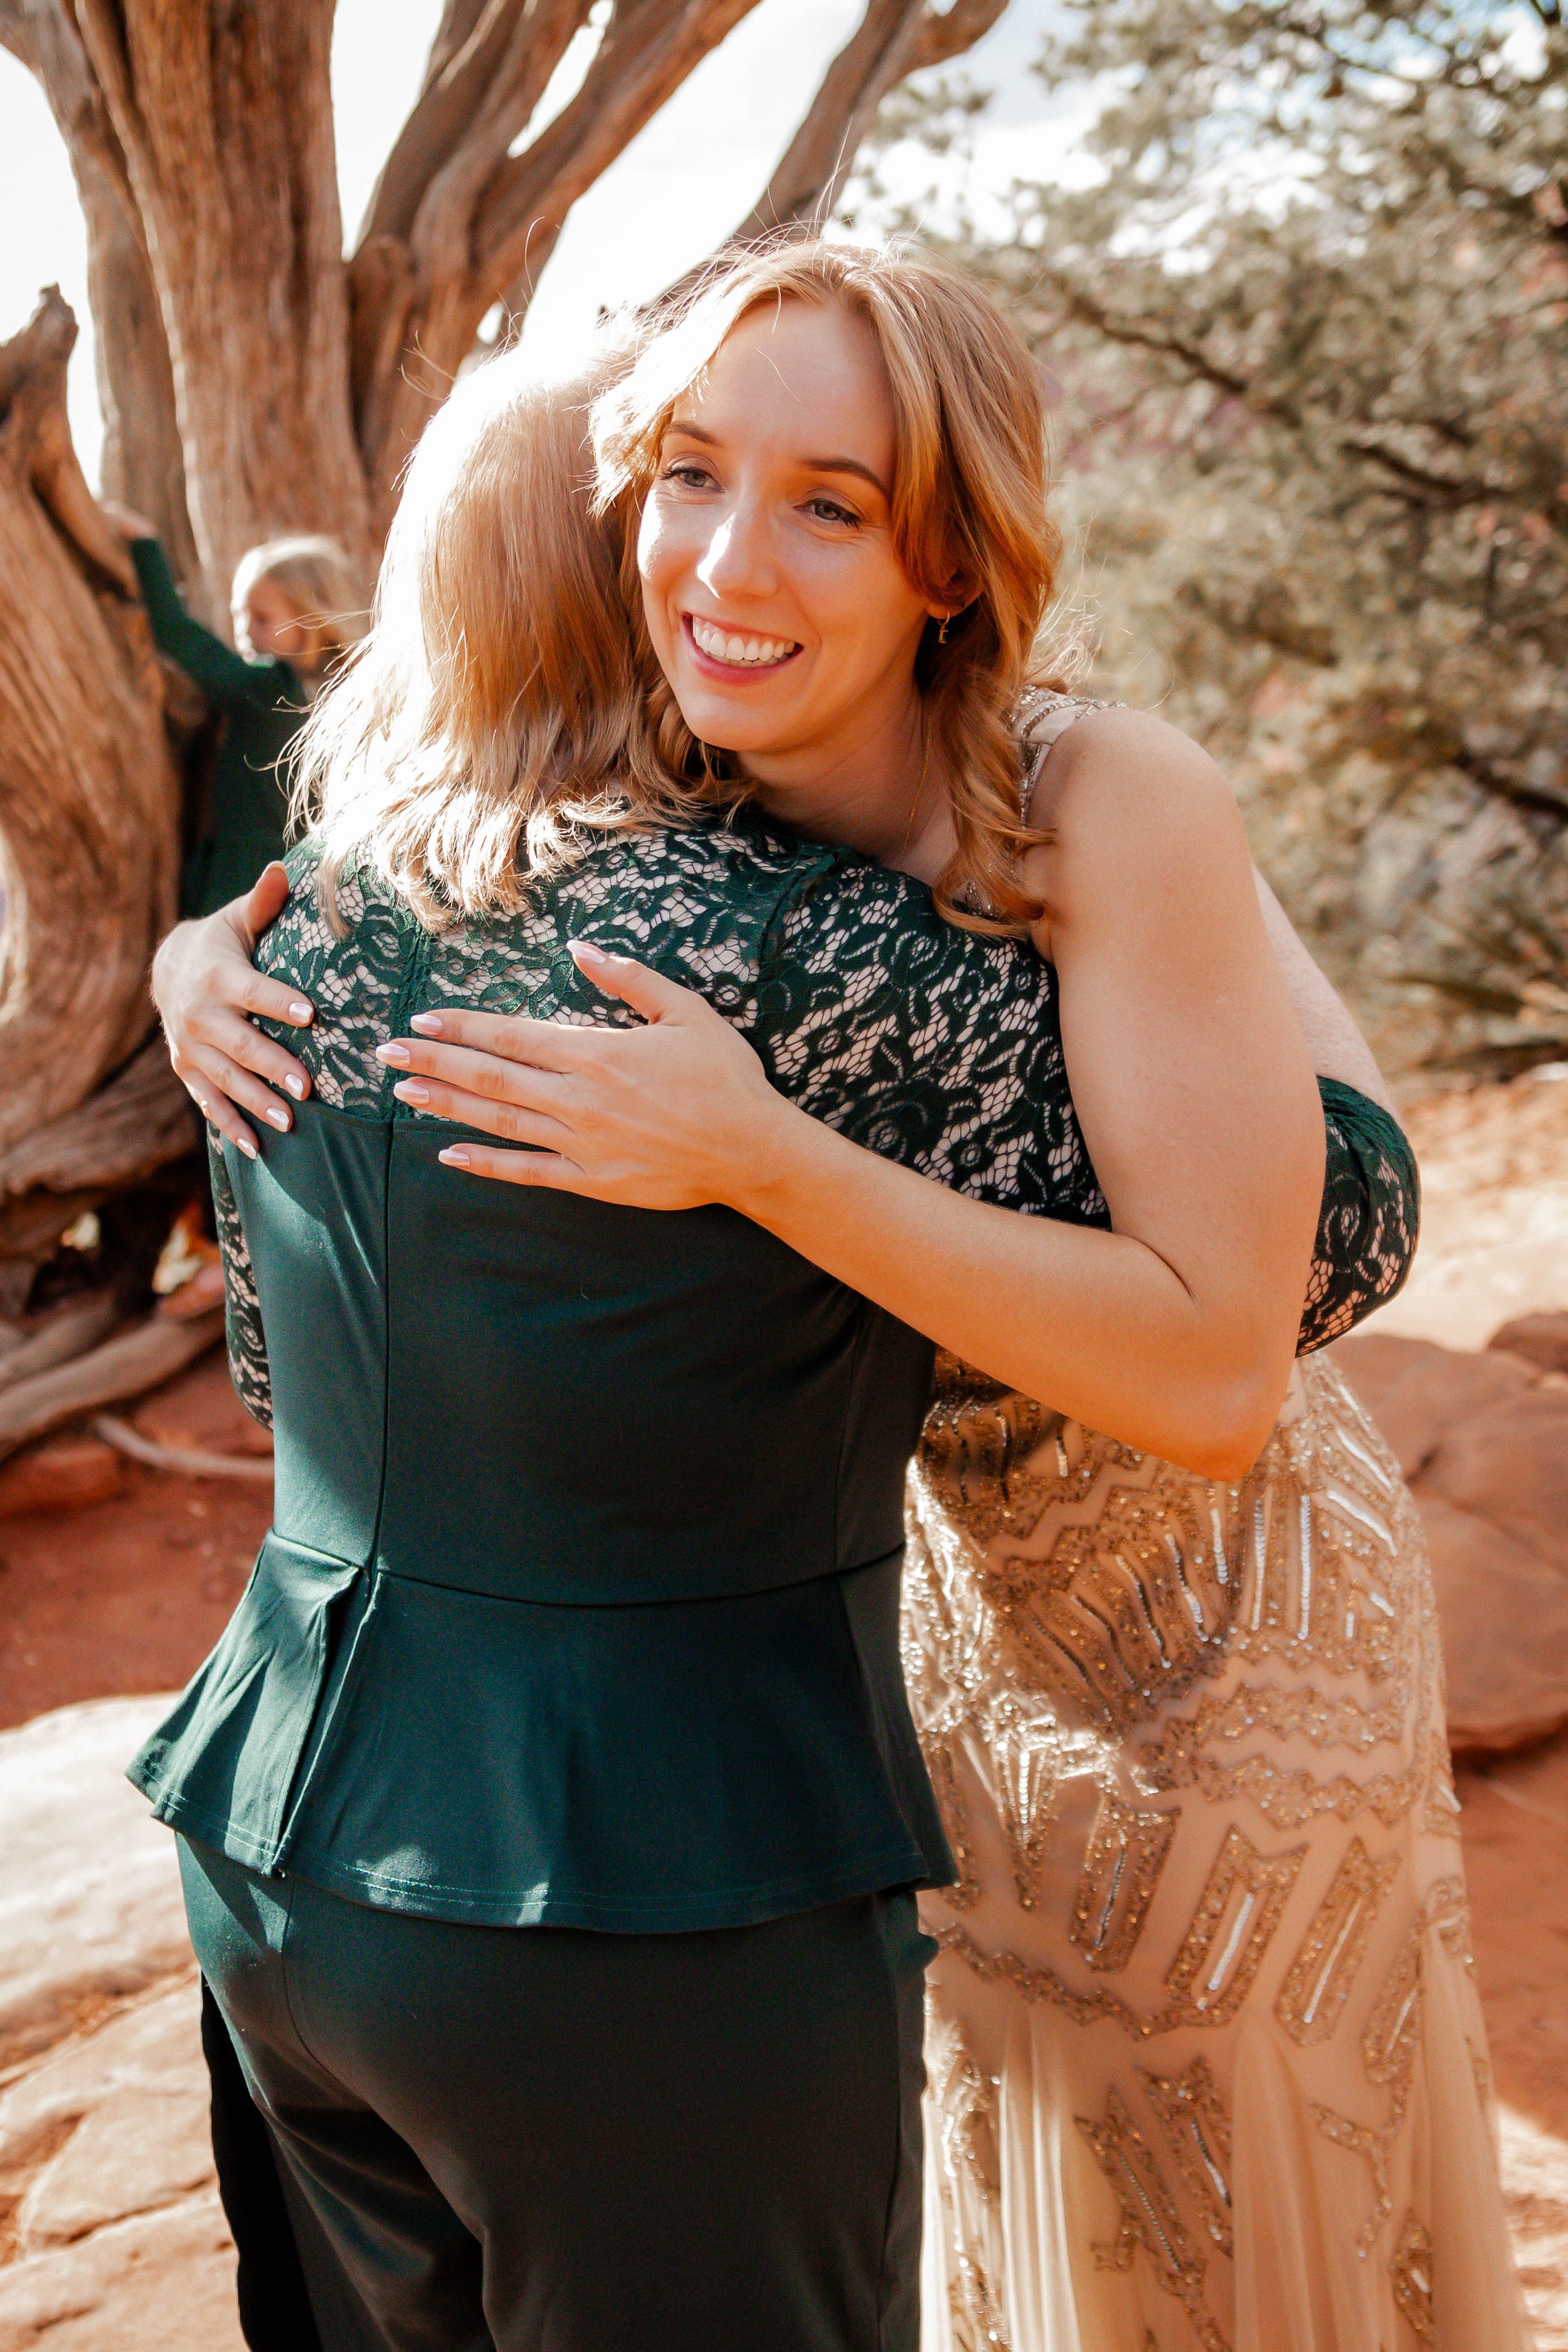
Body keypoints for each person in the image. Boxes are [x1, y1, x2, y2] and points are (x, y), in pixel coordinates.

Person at [141, 239, 1491, 2349]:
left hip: (1217, 1624)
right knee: (983, 2210)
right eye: (685, 477)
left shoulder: (1099, 797)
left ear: (946, 554)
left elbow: (1275, 1304)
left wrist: (760, 1154)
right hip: (932, 1639)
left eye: (831, 503)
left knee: (1216, 2229)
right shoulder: (664, 823)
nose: (727, 559)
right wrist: (201, 960)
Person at [100, 506, 364, 917]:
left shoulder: (269, 689)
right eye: (241, 615)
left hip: (242, 877)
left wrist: (144, 544)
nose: (245, 631)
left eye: (261, 618)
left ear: (312, 620)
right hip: (308, 880)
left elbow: (181, 639)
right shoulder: (348, 694)